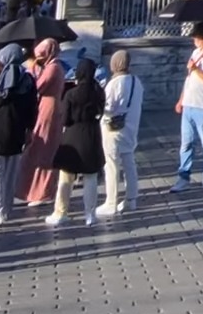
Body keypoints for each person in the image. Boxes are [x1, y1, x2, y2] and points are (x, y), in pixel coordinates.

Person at [0, 44, 37, 228]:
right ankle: (6, 210)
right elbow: (32, 109)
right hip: (17, 131)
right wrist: (29, 130)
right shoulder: (28, 80)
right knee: (10, 173)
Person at [47, 50, 105, 227]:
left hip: (73, 134)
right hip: (92, 134)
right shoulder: (98, 91)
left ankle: (61, 212)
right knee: (90, 177)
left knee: (66, 177)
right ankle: (90, 214)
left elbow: (65, 119)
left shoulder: (71, 94)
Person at [171, 22, 203, 194]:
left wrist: (196, 69)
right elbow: (189, 79)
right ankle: (183, 177)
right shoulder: (195, 52)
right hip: (189, 104)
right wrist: (181, 100)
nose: (193, 40)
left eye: (195, 37)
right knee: (186, 143)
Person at [18, 40, 66, 207]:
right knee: (41, 149)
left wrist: (32, 70)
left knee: (42, 149)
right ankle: (36, 190)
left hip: (48, 109)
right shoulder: (54, 66)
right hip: (48, 107)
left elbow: (38, 86)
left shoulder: (53, 68)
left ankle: (41, 192)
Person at [101, 49, 142, 217]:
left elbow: (109, 107)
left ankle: (111, 202)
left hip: (113, 129)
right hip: (131, 127)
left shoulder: (115, 83)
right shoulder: (136, 81)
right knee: (129, 163)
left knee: (111, 165)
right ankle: (131, 199)